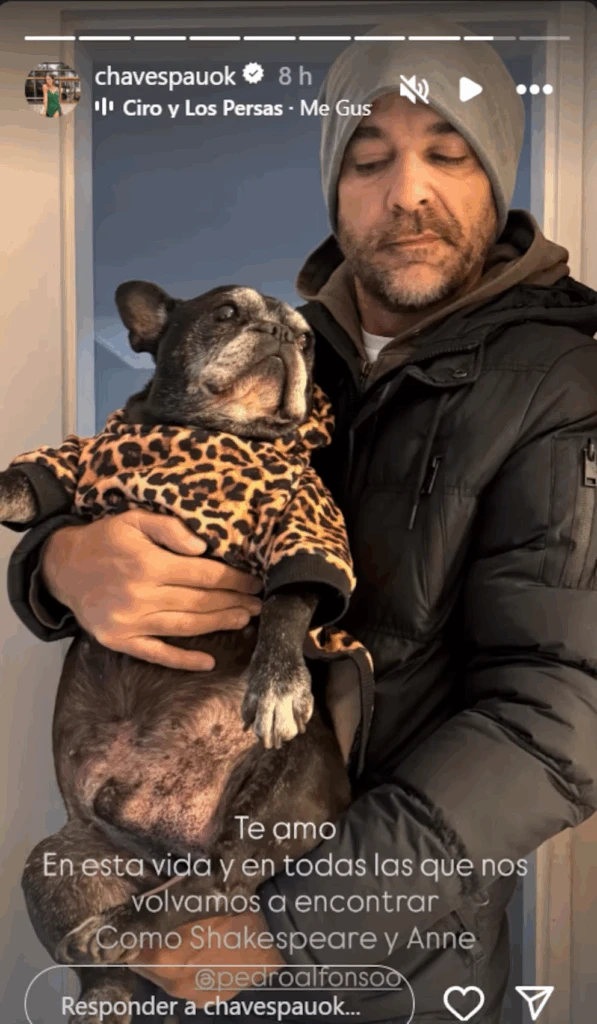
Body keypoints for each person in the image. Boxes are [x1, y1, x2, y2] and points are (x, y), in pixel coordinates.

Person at [8, 14, 597, 1024]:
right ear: (334, 187)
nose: (406, 192)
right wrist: (57, 567)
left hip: (394, 968)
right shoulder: (288, 355)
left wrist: (291, 926)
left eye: (448, 152)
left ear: (496, 177)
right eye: (368, 160)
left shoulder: (563, 379)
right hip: (156, 909)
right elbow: (127, 472)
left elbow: (558, 714)